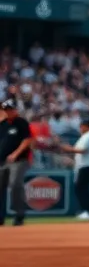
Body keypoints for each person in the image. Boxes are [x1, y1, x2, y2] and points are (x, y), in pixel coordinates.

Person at [58, 118, 89, 220]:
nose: (80, 128)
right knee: (83, 188)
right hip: (87, 164)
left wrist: (67, 148)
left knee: (81, 188)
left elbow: (83, 150)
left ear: (87, 126)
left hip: (87, 165)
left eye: (82, 126)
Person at [0, 97, 33, 226]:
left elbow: (27, 140)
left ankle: (19, 215)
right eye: (6, 109)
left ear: (15, 110)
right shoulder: (2, 125)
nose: (8, 112)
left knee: (15, 185)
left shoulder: (21, 122)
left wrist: (15, 153)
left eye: (10, 109)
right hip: (2, 161)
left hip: (19, 161)